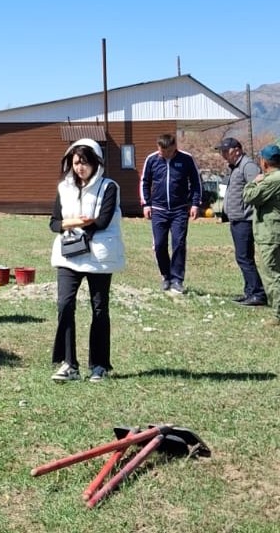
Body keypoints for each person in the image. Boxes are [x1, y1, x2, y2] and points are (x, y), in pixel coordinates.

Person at [48, 138, 125, 383]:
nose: (80, 167)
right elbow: (54, 223)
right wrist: (78, 222)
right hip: (69, 254)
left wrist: (71, 224)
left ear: (96, 163)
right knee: (65, 305)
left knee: (99, 308)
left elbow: (103, 220)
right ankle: (68, 363)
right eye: (76, 162)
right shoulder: (64, 188)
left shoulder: (109, 187)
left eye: (85, 162)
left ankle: (99, 365)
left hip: (99, 256)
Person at [242, 144, 280, 325]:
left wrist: (255, 181)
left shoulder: (272, 180)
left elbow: (249, 197)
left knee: (273, 276)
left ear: (264, 162)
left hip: (271, 234)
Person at [139, 132, 201, 295]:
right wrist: (146, 204)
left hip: (180, 210)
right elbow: (144, 181)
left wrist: (195, 204)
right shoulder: (152, 159)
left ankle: (177, 280)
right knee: (159, 245)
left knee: (179, 244)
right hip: (158, 210)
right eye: (159, 150)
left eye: (164, 151)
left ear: (173, 148)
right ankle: (165, 275)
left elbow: (195, 182)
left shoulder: (186, 159)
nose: (161, 153)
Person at [218, 137, 266, 306]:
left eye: (226, 151)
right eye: (222, 151)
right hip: (237, 219)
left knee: (245, 258)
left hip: (245, 220)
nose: (223, 154)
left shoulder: (248, 166)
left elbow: (258, 190)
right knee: (242, 257)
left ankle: (258, 294)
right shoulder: (236, 167)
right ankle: (249, 292)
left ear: (237, 149)